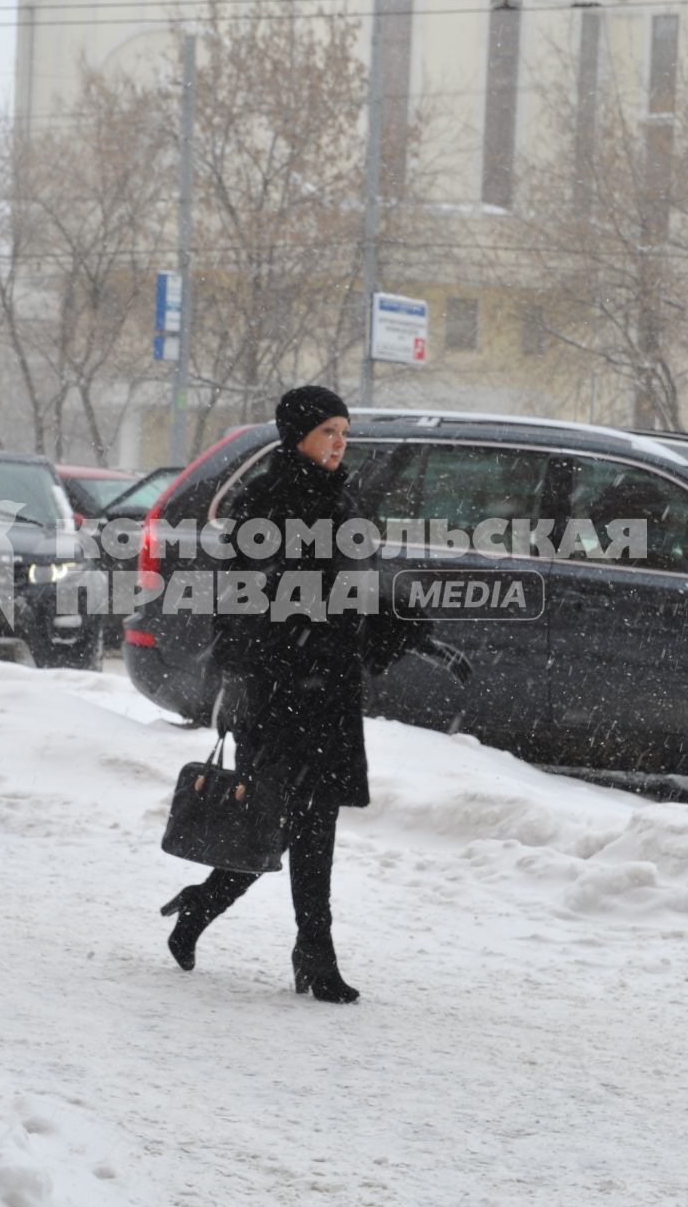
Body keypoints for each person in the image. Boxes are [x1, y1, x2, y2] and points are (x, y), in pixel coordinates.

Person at [159, 385, 468, 1004]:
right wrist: (268, 659)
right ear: (296, 434)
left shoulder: (344, 500)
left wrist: (410, 629)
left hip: (329, 691)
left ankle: (282, 941)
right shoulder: (264, 505)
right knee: (275, 821)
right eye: (329, 432)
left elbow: (357, 588)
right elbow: (238, 605)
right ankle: (280, 942)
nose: (339, 445)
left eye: (344, 434)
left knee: (309, 825)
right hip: (278, 693)